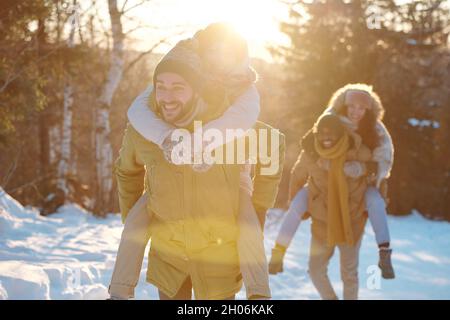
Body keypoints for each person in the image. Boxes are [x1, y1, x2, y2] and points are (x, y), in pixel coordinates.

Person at [109, 26, 285, 300]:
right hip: (171, 259)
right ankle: (119, 292)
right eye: (161, 88)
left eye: (178, 88)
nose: (167, 97)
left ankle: (259, 295)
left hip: (218, 260)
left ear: (198, 88)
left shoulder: (234, 121)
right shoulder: (143, 129)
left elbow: (272, 145)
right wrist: (140, 214)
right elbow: (125, 171)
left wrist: (258, 206)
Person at [270, 84, 395, 280]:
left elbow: (382, 162)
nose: (356, 112)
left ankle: (384, 252)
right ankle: (279, 251)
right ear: (344, 105)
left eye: (361, 108)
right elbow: (310, 144)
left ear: (368, 110)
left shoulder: (376, 131)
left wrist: (360, 168)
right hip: (324, 183)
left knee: (376, 202)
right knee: (297, 203)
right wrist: (318, 158)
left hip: (359, 184)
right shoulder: (329, 120)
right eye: (352, 107)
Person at [274, 114, 372, 299]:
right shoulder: (310, 153)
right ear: (316, 134)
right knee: (315, 270)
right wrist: (298, 204)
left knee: (349, 275)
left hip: (352, 221)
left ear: (341, 133)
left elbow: (375, 166)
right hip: (322, 222)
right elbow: (297, 177)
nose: (327, 138)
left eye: (332, 134)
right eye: (322, 134)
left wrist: (361, 168)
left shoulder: (356, 148)